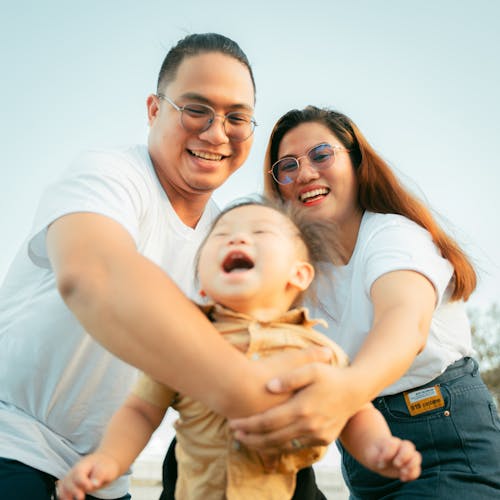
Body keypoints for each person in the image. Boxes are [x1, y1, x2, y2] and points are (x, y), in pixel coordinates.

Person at [0, 35, 331, 500]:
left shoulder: (227, 235)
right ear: (155, 110)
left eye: (236, 117)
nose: (217, 133)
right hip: (14, 441)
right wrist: (242, 387)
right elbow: (92, 275)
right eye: (197, 110)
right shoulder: (110, 175)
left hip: (107, 473)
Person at [58, 201, 422, 500]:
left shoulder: (316, 348)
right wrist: (109, 459)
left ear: (299, 275)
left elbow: (353, 410)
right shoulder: (186, 340)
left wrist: (379, 448)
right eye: (222, 236)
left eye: (260, 233)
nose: (238, 240)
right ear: (201, 283)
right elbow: (140, 410)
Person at [227, 106, 500, 498]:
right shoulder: (299, 273)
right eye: (287, 166)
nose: (304, 173)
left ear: (355, 161)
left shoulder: (392, 235)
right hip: (363, 452)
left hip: (443, 435)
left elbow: (404, 323)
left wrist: (344, 389)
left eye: (321, 155)